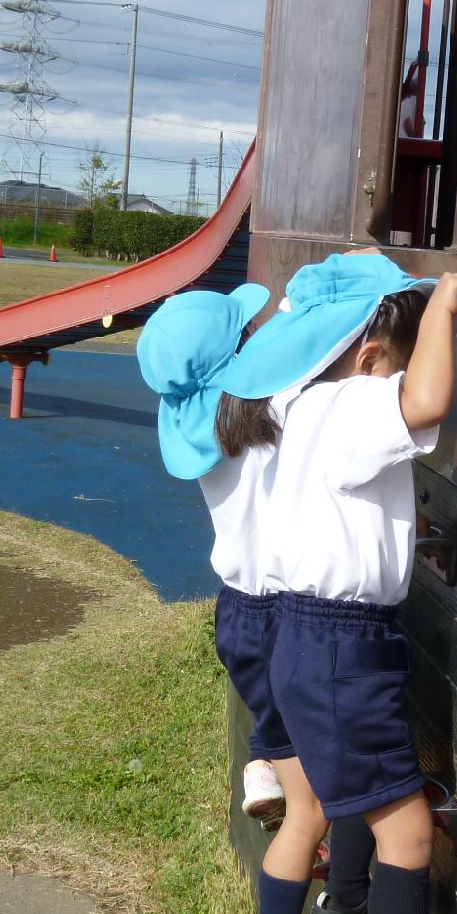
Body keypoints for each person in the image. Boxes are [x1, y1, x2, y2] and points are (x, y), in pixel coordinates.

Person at [217, 251, 457, 914]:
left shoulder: (298, 407)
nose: (401, 372)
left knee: (355, 809)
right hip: (339, 647)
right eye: (398, 353)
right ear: (369, 352)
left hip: (316, 639)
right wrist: (447, 305)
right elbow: (426, 400)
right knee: (407, 832)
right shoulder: (350, 402)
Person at [136, 282, 292, 828]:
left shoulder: (205, 429)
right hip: (290, 607)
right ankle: (309, 830)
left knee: (274, 721)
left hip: (238, 613)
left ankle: (262, 767)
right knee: (309, 741)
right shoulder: (276, 415)